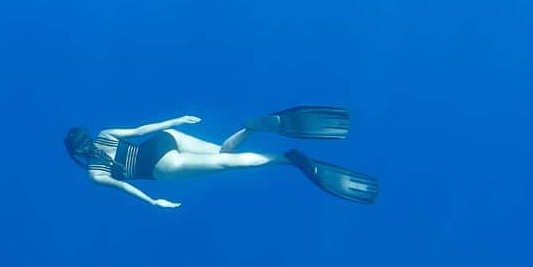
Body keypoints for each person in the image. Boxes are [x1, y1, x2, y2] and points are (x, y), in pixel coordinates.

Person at [63, 106, 379, 207]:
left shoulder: (94, 174)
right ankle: (252, 128)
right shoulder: (106, 134)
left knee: (227, 163)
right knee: (224, 151)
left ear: (76, 154)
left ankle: (287, 160)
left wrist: (154, 203)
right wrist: (177, 121)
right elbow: (143, 128)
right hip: (164, 140)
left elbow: (126, 188)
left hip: (162, 167)